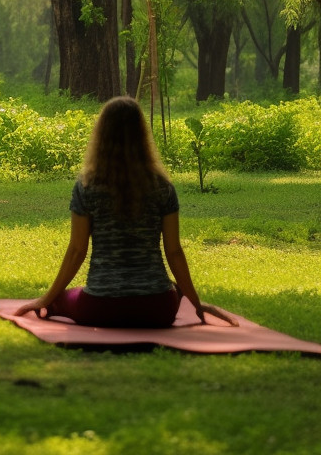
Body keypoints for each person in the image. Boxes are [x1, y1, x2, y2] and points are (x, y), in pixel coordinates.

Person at [13, 96, 235, 328]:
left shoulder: (87, 186)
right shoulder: (162, 186)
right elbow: (174, 251)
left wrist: (46, 299)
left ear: (101, 135)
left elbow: (78, 249)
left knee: (61, 300)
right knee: (172, 289)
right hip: (159, 309)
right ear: (142, 135)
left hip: (100, 307)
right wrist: (196, 304)